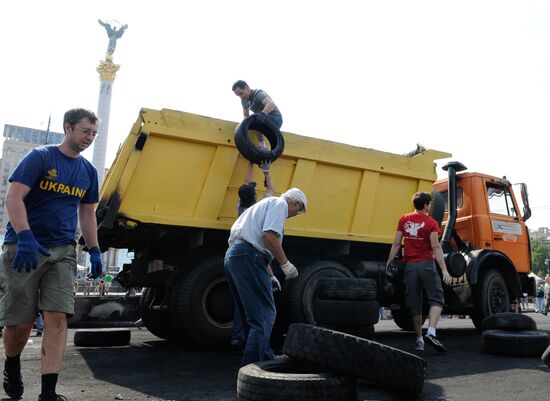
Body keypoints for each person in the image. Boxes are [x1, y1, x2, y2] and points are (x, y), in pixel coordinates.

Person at [0, 108, 103, 401]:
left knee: (57, 317)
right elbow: (14, 197)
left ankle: (48, 392)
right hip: (24, 249)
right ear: (68, 128)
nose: (89, 138)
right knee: (20, 325)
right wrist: (25, 236)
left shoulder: (88, 172)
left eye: (94, 133)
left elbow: (87, 212)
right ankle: (11, 362)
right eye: (85, 131)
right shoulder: (41, 157)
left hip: (62, 250)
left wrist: (93, 248)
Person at [224, 188, 306, 366]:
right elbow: (268, 236)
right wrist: (285, 264)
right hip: (248, 257)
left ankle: (266, 356)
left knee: (251, 314)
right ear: (294, 203)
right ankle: (253, 367)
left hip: (236, 256)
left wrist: (270, 274)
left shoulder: (265, 203)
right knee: (264, 315)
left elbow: (258, 243)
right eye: (298, 210)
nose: (294, 214)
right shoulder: (279, 205)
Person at [386, 191, 452, 353]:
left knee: (414, 304)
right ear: (425, 206)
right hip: (426, 265)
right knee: (436, 299)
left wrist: (389, 261)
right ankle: (431, 332)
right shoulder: (431, 223)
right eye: (429, 204)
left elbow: (396, 243)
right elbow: (436, 247)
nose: (430, 206)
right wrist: (444, 270)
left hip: (410, 267)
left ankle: (419, 340)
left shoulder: (404, 219)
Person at [231, 160, 276, 352]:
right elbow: (272, 192)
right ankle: (257, 348)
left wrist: (249, 162)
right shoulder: (261, 210)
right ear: (255, 195)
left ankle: (237, 336)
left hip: (234, 251)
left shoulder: (240, 207)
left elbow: (246, 184)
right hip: (252, 253)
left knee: (241, 299)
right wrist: (266, 171)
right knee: (258, 305)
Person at [232, 80, 283, 150]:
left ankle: (262, 146)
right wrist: (243, 128)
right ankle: (260, 148)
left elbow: (270, 104)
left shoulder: (258, 93)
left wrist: (262, 114)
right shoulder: (244, 100)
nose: (241, 97)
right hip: (263, 120)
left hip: (275, 119)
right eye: (238, 95)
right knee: (250, 120)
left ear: (246, 88)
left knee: (255, 117)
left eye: (241, 93)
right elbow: (246, 115)